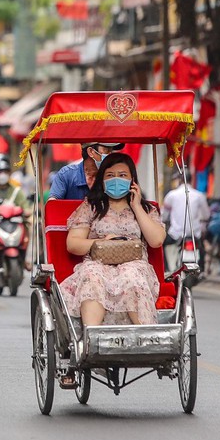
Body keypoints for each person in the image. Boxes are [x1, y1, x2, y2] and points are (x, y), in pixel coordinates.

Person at [59, 152, 166, 386]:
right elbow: (73, 243)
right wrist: (103, 242)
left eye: (122, 175)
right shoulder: (92, 206)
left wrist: (136, 206)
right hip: (98, 262)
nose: (116, 179)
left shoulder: (145, 209)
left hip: (134, 264)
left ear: (132, 180)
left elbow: (156, 240)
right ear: (102, 179)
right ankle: (90, 343)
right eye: (110, 175)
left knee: (132, 277)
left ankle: (146, 340)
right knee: (92, 277)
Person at [162, 173, 211, 272]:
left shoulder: (171, 195)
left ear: (179, 180)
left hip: (176, 235)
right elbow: (206, 215)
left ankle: (165, 269)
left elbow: (163, 216)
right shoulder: (199, 195)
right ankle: (202, 270)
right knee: (202, 247)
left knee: (159, 244)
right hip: (194, 234)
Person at [48, 142, 124, 200]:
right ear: (91, 152)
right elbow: (52, 206)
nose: (110, 155)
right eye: (106, 150)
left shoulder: (113, 178)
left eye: (111, 151)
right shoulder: (66, 175)